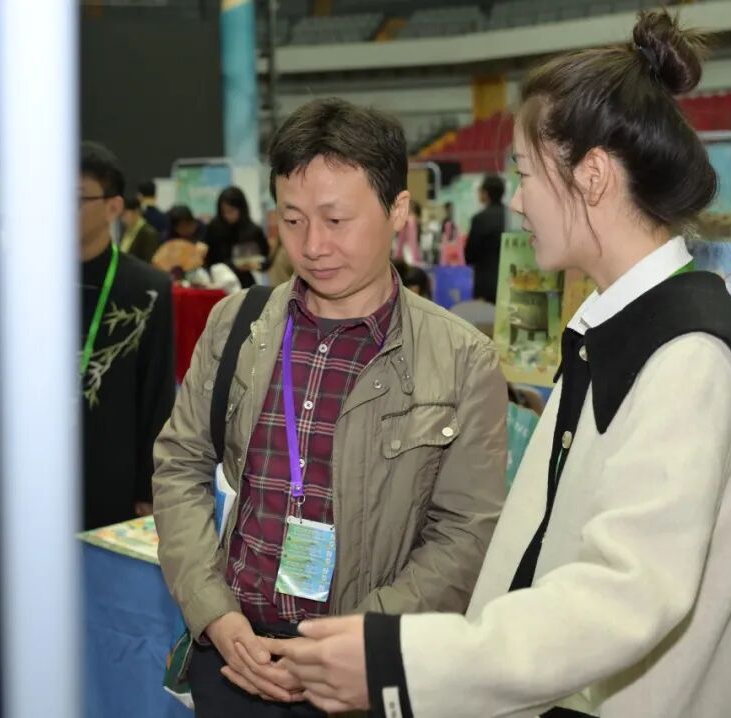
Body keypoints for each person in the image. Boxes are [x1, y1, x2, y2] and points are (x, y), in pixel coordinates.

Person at [264, 11, 731, 718]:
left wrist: (403, 660)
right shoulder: (619, 326)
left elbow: (624, 595)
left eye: (525, 173)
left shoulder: (688, 354)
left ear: (592, 175)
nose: (516, 199)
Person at [152, 97, 508, 718]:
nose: (312, 245)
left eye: (336, 220)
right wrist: (212, 611)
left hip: (363, 677)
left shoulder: (461, 360)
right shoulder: (237, 325)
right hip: (234, 659)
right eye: (292, 220)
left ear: (398, 209)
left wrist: (357, 644)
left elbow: (464, 533)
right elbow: (179, 465)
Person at [0, 143, 176, 693]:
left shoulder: (147, 289)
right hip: (15, 488)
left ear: (114, 207)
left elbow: (157, 396)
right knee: (16, 635)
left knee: (97, 640)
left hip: (104, 491)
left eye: (76, 198)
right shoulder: (15, 280)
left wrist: (148, 488)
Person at [203, 186, 269, 287]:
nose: (227, 215)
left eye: (231, 211)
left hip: (245, 282)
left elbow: (265, 260)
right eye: (224, 212)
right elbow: (208, 259)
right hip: (219, 282)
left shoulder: (253, 230)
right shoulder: (214, 227)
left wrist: (255, 265)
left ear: (241, 209)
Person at [465, 174, 507, 302]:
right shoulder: (511, 217)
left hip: (485, 283)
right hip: (508, 279)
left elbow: (470, 255)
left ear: (486, 193)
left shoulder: (479, 219)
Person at [121, 196, 162, 263]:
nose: (122, 218)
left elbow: (148, 262)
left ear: (136, 212)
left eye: (124, 214)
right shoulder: (126, 230)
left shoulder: (148, 233)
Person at [393, 200, 423, 265]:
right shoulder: (409, 221)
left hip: (409, 250)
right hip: (407, 249)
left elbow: (413, 241)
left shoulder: (411, 220)